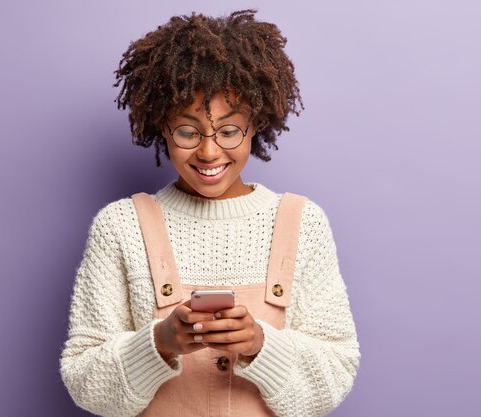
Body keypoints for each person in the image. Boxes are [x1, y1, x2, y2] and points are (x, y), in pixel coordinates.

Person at [59, 9, 360, 417]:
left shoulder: (302, 223)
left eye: (229, 131)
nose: (209, 151)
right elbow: (84, 380)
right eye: (187, 131)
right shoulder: (121, 226)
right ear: (162, 128)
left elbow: (338, 370)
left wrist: (259, 344)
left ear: (256, 124)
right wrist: (161, 342)